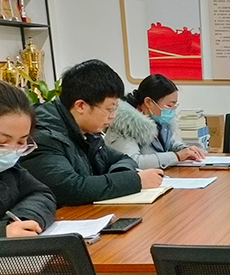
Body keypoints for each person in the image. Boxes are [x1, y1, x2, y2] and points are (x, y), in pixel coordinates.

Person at [21, 59, 164, 206]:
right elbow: (70, 189)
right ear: (80, 106)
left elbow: (123, 159)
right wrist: (135, 180)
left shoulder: (88, 132)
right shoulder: (44, 136)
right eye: (109, 109)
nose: (113, 116)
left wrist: (119, 177)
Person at [0, 80, 56, 238]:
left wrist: (21, 221)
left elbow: (41, 194)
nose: (10, 151)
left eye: (21, 142)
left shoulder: (9, 169)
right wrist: (0, 233)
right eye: (0, 142)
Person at [105, 74, 205, 169]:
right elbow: (132, 161)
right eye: (169, 106)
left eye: (174, 105)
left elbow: (168, 143)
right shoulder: (124, 124)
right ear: (148, 102)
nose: (172, 110)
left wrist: (184, 149)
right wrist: (177, 156)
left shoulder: (156, 118)